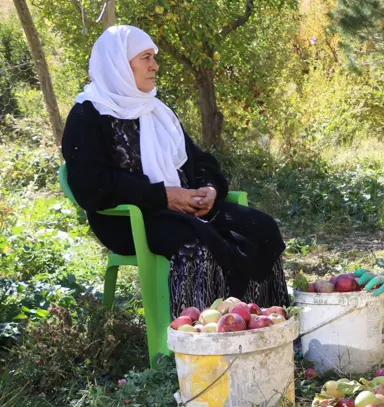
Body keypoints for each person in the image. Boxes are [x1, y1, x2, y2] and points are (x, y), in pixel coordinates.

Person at [61, 25, 289, 315]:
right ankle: (198, 334)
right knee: (197, 246)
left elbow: (200, 161)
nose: (155, 66)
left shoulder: (157, 111)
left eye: (154, 57)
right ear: (118, 64)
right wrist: (163, 196)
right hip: (131, 219)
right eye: (146, 57)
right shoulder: (88, 115)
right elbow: (90, 185)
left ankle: (262, 323)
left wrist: (210, 189)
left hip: (185, 209)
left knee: (261, 228)